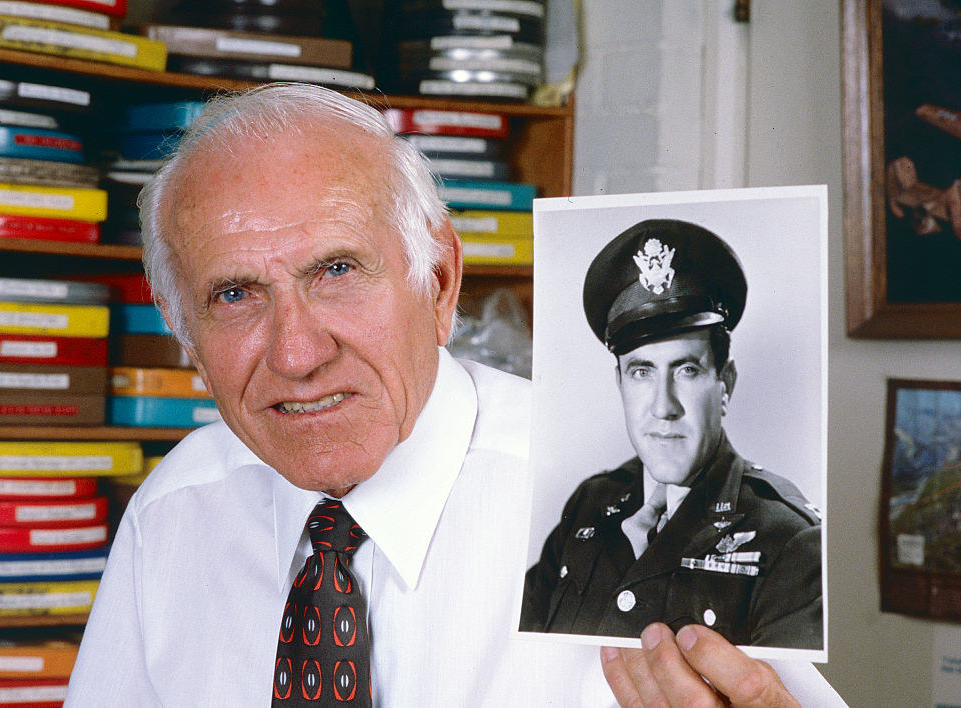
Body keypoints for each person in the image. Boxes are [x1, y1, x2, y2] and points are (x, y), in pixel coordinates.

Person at [65, 84, 842, 705]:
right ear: (181, 329)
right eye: (235, 294)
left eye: (336, 271)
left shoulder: (617, 506)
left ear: (439, 284)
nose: (296, 353)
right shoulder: (177, 508)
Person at [520, 219, 824, 650]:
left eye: (687, 370)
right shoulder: (590, 504)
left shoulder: (791, 542)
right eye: (642, 372)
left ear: (726, 384)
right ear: (620, 385)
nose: (663, 406)